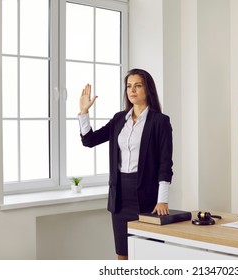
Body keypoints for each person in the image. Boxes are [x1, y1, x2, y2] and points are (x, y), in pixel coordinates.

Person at [78, 68, 173, 260]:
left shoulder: (160, 122)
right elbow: (89, 141)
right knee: (123, 254)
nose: (132, 90)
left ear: (148, 90)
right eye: (129, 86)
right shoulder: (119, 119)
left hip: (147, 195)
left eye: (138, 85)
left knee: (149, 253)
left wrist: (162, 199)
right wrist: (83, 112)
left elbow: (165, 164)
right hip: (120, 195)